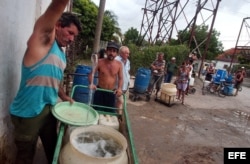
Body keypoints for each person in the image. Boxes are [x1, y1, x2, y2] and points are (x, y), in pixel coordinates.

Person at [9, 1, 81, 163]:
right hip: (27, 113)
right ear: (58, 25)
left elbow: (56, 81)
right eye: (70, 33)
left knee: (53, 148)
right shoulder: (43, 43)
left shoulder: (61, 55)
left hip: (49, 110)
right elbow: (55, 8)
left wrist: (64, 97)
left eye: (74, 36)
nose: (71, 39)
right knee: (25, 156)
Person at [89, 42, 123, 113]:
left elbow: (120, 78)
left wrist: (119, 88)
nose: (111, 53)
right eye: (110, 50)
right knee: (96, 112)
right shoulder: (99, 62)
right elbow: (91, 74)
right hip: (100, 91)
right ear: (106, 51)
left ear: (116, 54)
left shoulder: (119, 64)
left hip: (111, 93)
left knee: (109, 114)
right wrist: (91, 83)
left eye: (114, 51)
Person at [115, 46, 130, 112]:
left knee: (123, 103)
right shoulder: (116, 60)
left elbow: (127, 71)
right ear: (120, 53)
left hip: (126, 86)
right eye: (126, 53)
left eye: (128, 53)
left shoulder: (128, 61)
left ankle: (120, 116)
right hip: (118, 86)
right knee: (119, 102)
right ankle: (119, 117)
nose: (128, 55)